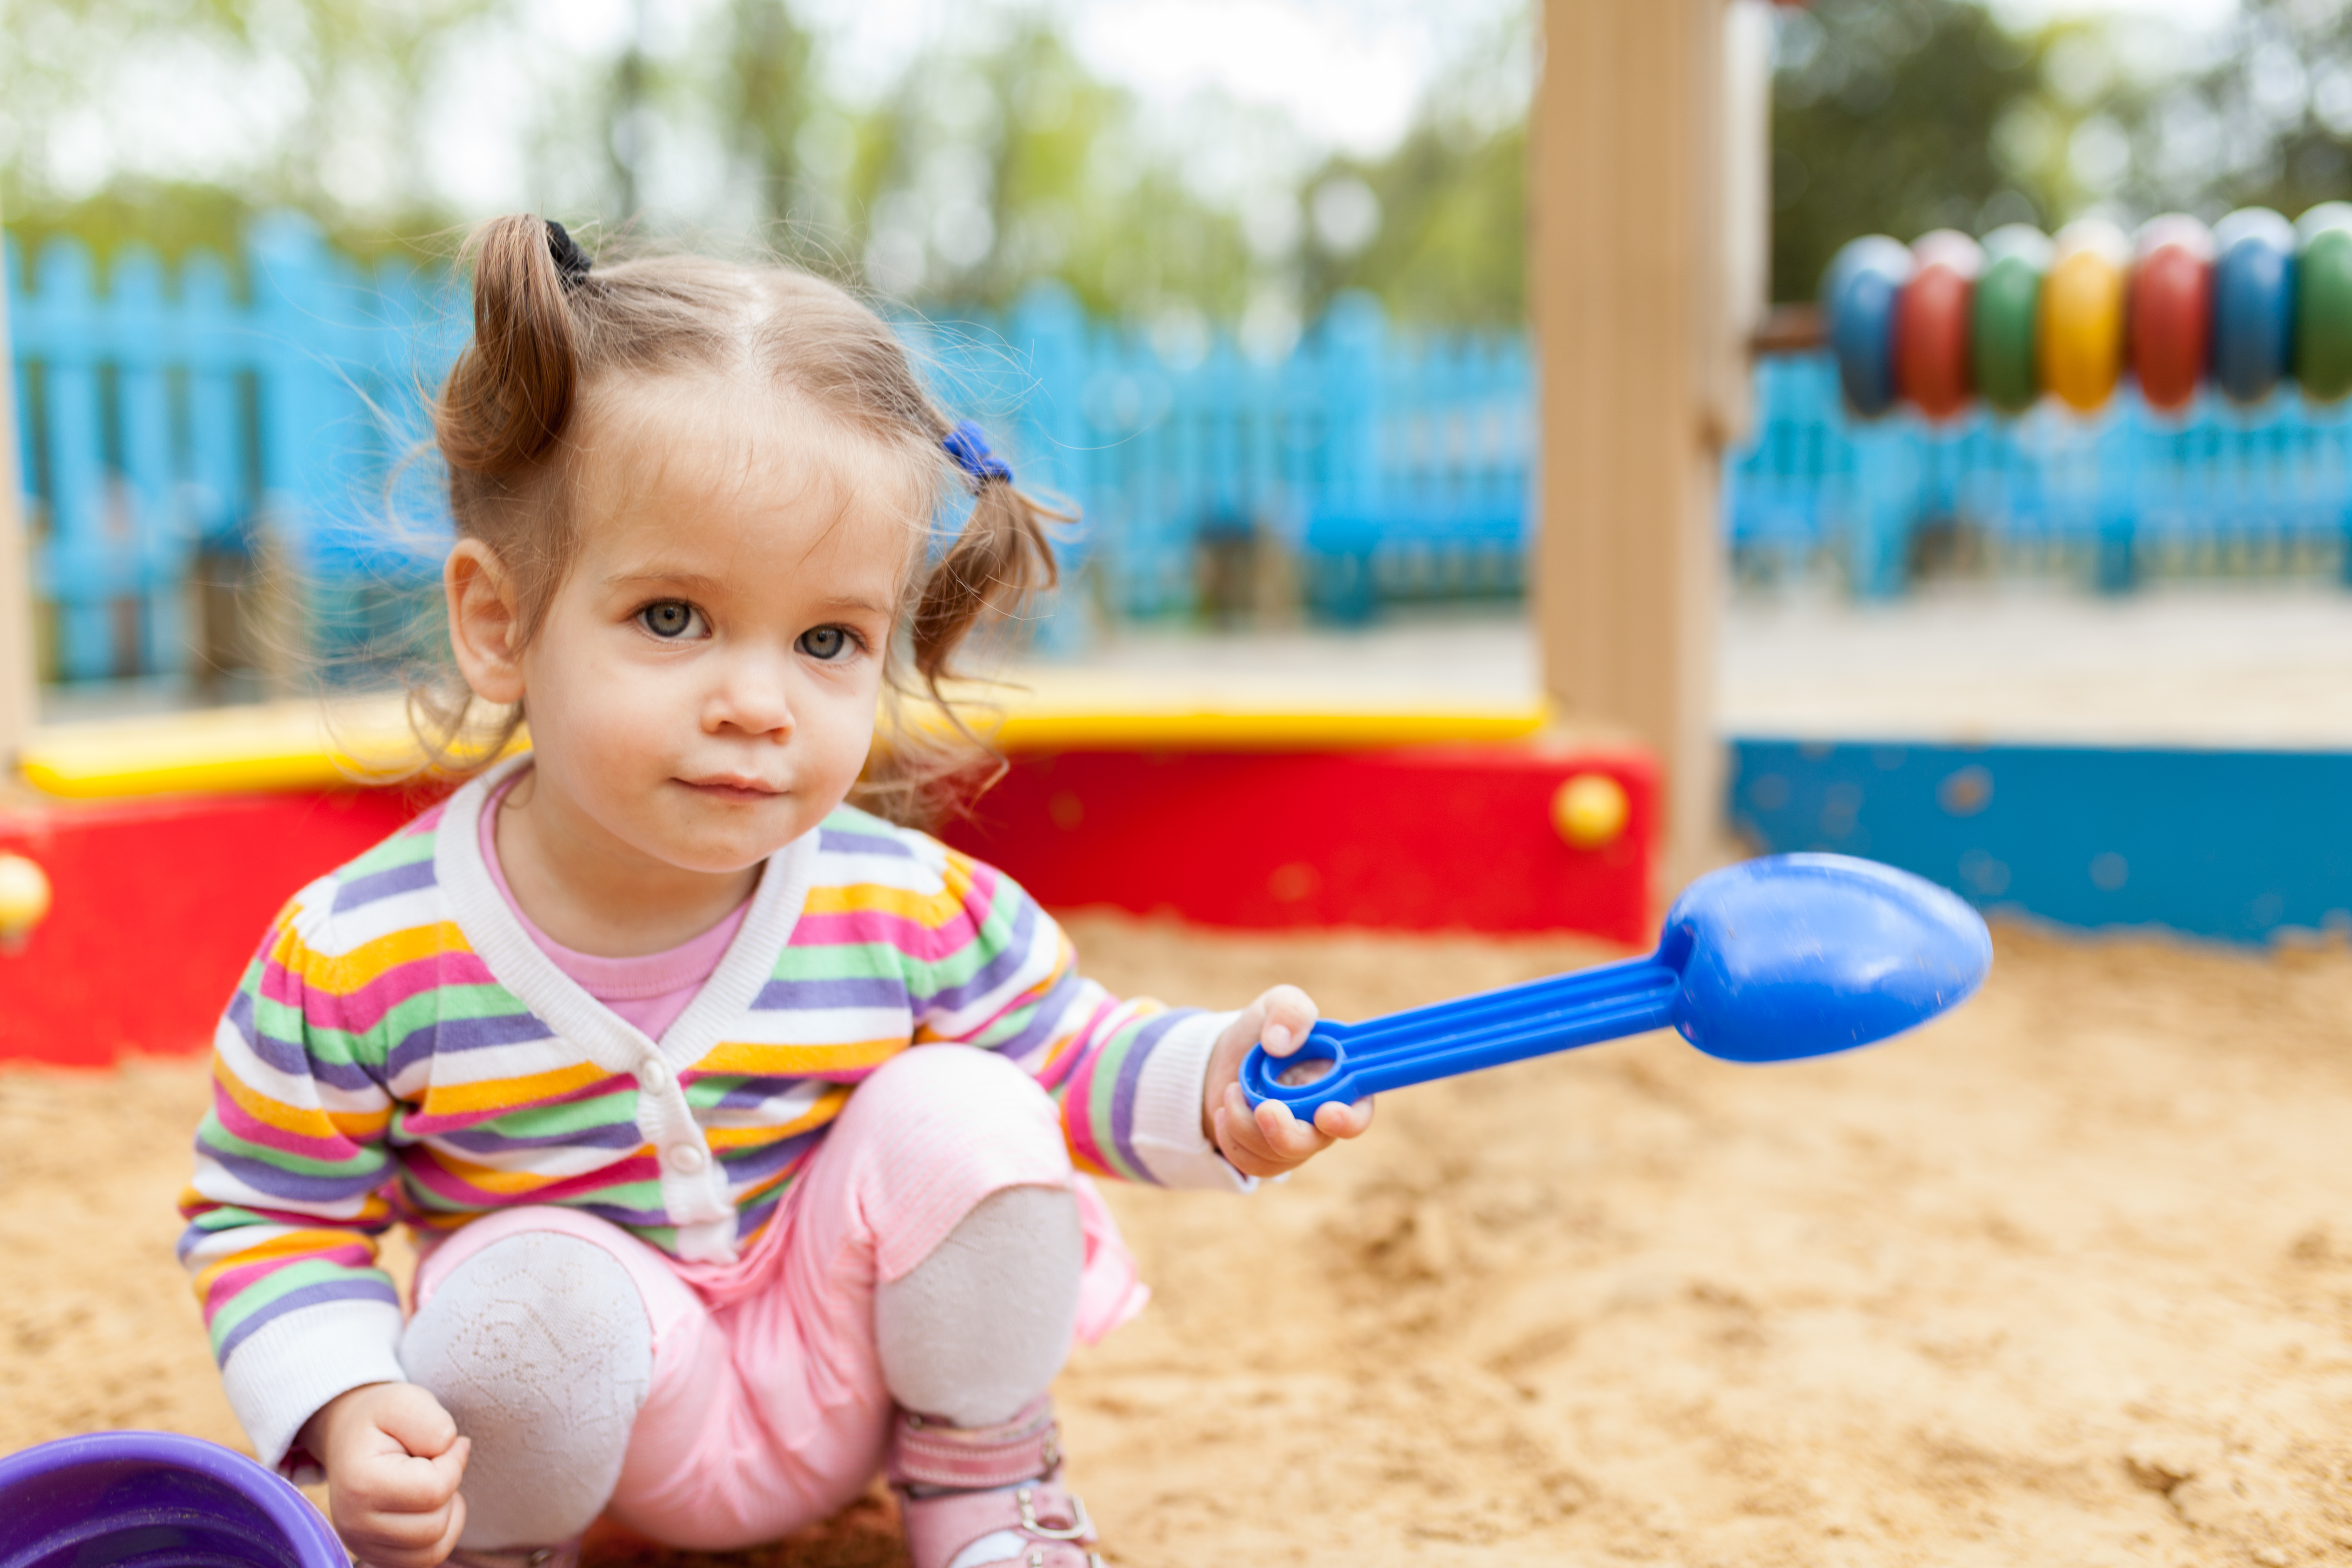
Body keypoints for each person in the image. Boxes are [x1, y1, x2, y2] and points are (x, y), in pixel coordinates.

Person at [177, 217, 1374, 1568]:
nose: (756, 704)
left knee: (971, 1107)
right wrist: (345, 1402)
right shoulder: (361, 955)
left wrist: (1215, 1084)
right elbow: (268, 1214)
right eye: (673, 618)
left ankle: (992, 1499)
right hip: (592, 1439)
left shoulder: (909, 907)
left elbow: (1074, 1054)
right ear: (502, 622)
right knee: (525, 1293)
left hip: (849, 1378)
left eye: (826, 641)